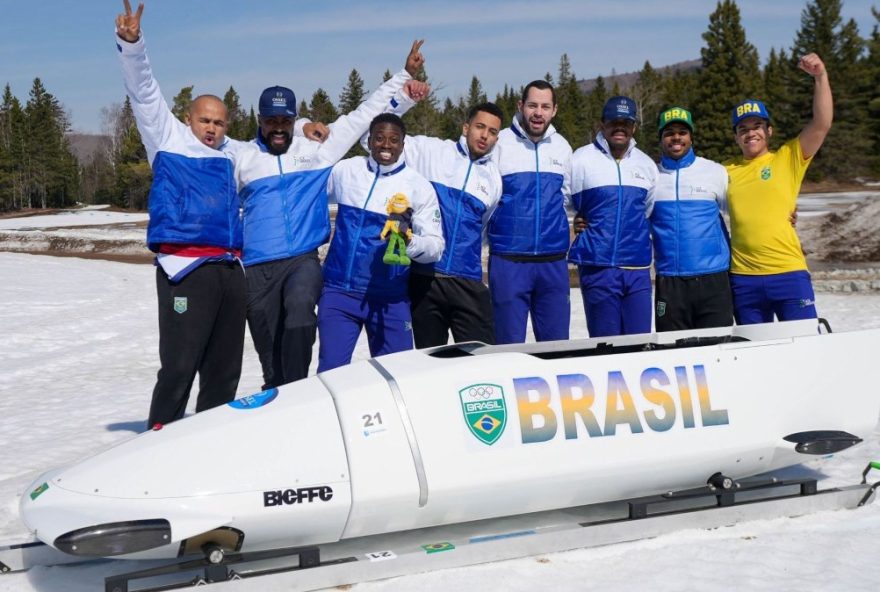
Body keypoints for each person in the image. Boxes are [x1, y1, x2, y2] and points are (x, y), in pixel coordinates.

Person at [234, 42, 426, 389]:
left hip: (302, 260)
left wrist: (405, 77)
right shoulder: (242, 157)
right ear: (259, 120)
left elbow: (363, 117)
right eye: (271, 121)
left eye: (286, 121)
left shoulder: (318, 150)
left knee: (300, 307)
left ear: (293, 120)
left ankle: (294, 390)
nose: (279, 127)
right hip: (258, 266)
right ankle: (277, 388)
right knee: (268, 347)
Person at [115, 0, 245, 427]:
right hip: (184, 269)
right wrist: (133, 47)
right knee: (179, 366)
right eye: (205, 120)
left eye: (220, 123)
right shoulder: (167, 139)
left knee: (224, 373)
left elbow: (277, 144)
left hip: (228, 269)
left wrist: (302, 127)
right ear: (189, 118)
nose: (212, 128)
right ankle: (159, 441)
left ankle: (210, 444)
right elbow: (145, 92)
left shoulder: (232, 155)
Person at [317, 114, 444, 371]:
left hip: (390, 299)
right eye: (379, 138)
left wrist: (409, 241)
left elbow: (435, 247)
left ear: (403, 144)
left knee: (397, 376)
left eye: (394, 140)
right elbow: (310, 188)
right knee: (331, 374)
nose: (386, 145)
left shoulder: (418, 187)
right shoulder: (346, 171)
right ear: (369, 141)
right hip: (339, 292)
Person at [724, 53, 832, 325]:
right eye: (743, 129)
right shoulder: (724, 171)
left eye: (757, 126)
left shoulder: (788, 158)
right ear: (736, 136)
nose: (751, 133)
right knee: (755, 357)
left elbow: (821, 124)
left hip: (788, 273)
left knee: (804, 350)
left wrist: (820, 76)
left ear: (769, 131)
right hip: (743, 280)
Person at [488, 81, 572, 344]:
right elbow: (487, 197)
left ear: (554, 110)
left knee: (557, 347)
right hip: (509, 261)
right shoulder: (500, 144)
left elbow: (566, 197)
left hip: (553, 261)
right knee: (508, 345)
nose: (538, 112)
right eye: (533, 105)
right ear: (520, 106)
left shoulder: (562, 147)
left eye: (545, 106)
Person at [568, 96, 657, 337]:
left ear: (634, 127)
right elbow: (564, 201)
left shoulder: (646, 165)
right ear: (602, 124)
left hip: (637, 267)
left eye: (626, 122)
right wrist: (577, 220)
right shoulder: (581, 159)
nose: (620, 128)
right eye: (613, 122)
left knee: (639, 343)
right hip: (599, 266)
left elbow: (646, 209)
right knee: (605, 345)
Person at [651, 107, 733, 331]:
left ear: (691, 137)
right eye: (669, 133)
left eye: (682, 132)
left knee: (717, 349)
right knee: (673, 352)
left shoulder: (715, 172)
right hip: (670, 281)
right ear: (661, 139)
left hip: (713, 279)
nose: (676, 137)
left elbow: (739, 215)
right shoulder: (652, 176)